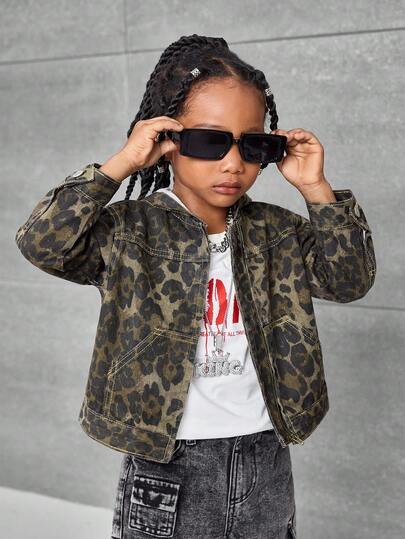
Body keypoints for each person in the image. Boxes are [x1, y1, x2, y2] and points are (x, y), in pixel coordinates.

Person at [15, 33, 376, 539]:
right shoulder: (131, 230)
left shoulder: (277, 231)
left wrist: (316, 188)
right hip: (169, 464)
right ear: (167, 141)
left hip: (266, 454)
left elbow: (349, 280)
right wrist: (121, 163)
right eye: (209, 141)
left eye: (254, 146)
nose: (233, 163)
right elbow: (43, 243)